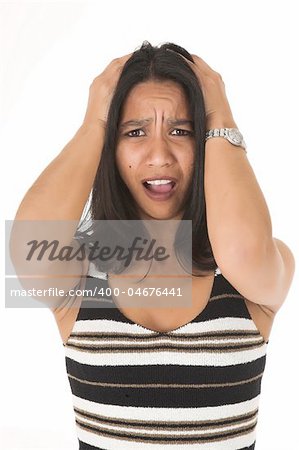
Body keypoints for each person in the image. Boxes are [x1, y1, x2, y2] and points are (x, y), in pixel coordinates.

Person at [11, 41, 295, 449]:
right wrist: (95, 121)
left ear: (207, 144)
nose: (159, 155)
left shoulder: (254, 272)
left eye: (182, 131)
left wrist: (219, 112)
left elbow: (243, 250)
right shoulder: (79, 270)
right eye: (135, 132)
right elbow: (28, 246)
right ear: (110, 147)